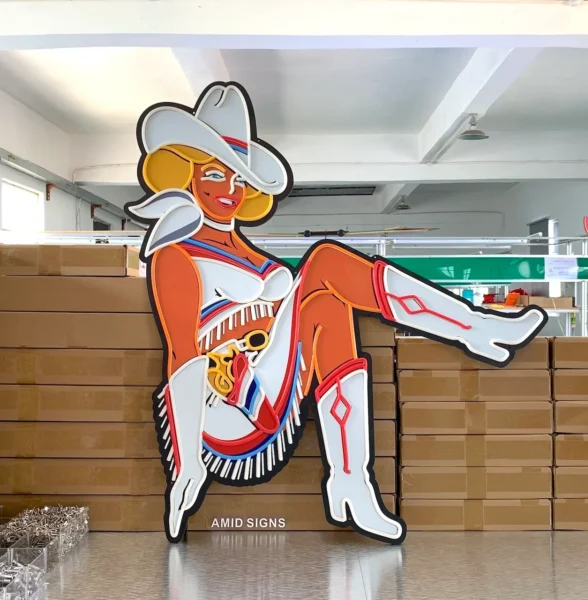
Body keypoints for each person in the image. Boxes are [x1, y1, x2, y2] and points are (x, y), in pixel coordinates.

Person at [125, 83, 547, 545]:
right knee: (325, 260)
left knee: (326, 303)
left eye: (239, 179)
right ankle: (473, 327)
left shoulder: (249, 254)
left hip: (266, 376)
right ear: (188, 176)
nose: (229, 190)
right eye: (215, 175)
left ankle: (351, 483)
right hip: (223, 407)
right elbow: (182, 355)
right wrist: (186, 464)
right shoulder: (176, 255)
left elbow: (292, 305)